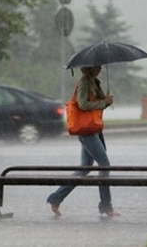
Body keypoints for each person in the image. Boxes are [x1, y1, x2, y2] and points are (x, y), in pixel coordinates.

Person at [46, 65, 120, 217]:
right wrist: (101, 102)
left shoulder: (96, 82)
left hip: (94, 129)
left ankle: (56, 198)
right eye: (95, 66)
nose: (99, 68)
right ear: (88, 68)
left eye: (99, 66)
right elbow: (82, 104)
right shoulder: (84, 82)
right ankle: (106, 206)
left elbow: (95, 106)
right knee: (104, 166)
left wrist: (106, 102)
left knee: (85, 168)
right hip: (87, 131)